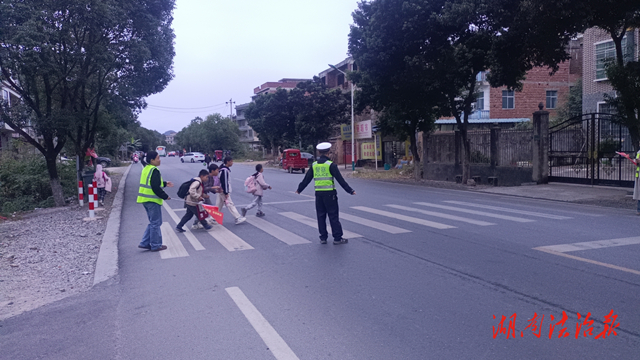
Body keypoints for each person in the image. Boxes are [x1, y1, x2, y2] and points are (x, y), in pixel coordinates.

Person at [296, 142, 356, 245]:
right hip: (330, 194)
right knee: (333, 216)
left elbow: (307, 179)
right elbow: (340, 180)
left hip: (319, 195)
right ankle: (337, 238)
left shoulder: (314, 165)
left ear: (319, 152)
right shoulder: (331, 165)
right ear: (328, 152)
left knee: (321, 216)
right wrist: (350, 190)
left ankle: (323, 238)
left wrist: (299, 189)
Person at [137, 151, 173, 251]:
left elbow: (154, 183)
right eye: (158, 158)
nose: (159, 160)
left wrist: (165, 184)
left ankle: (145, 243)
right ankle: (156, 245)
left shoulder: (147, 169)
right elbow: (155, 187)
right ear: (152, 160)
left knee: (154, 222)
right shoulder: (154, 170)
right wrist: (165, 196)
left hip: (145, 199)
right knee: (156, 223)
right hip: (152, 200)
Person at [191, 163, 221, 228]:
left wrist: (216, 191)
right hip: (200, 196)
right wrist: (212, 188)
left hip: (204, 195)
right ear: (212, 171)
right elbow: (203, 187)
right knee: (203, 209)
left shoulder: (212, 178)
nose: (218, 172)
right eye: (217, 170)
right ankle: (196, 223)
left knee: (206, 208)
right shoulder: (207, 177)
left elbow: (210, 187)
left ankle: (201, 222)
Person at [218, 156, 246, 224]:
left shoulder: (224, 169)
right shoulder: (224, 170)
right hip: (224, 191)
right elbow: (225, 182)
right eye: (231, 161)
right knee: (230, 204)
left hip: (221, 190)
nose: (232, 163)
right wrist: (226, 192)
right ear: (228, 162)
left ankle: (212, 218)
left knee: (218, 205)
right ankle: (237, 217)